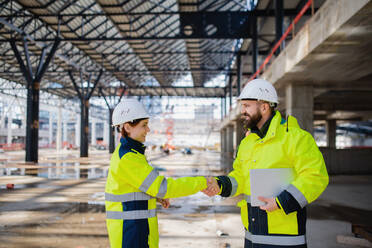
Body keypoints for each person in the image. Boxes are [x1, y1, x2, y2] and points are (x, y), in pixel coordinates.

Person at [204, 79, 329, 248]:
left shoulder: (296, 138)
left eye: (247, 105)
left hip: (285, 239)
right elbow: (241, 177)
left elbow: (315, 176)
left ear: (264, 107)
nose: (242, 111)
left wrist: (281, 202)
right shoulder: (247, 143)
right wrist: (221, 185)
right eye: (242, 106)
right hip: (252, 235)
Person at [105, 98, 218, 248]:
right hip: (131, 235)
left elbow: (133, 188)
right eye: (144, 125)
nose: (148, 130)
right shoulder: (128, 158)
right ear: (127, 127)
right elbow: (163, 187)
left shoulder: (131, 153)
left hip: (135, 231)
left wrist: (155, 196)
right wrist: (202, 182)